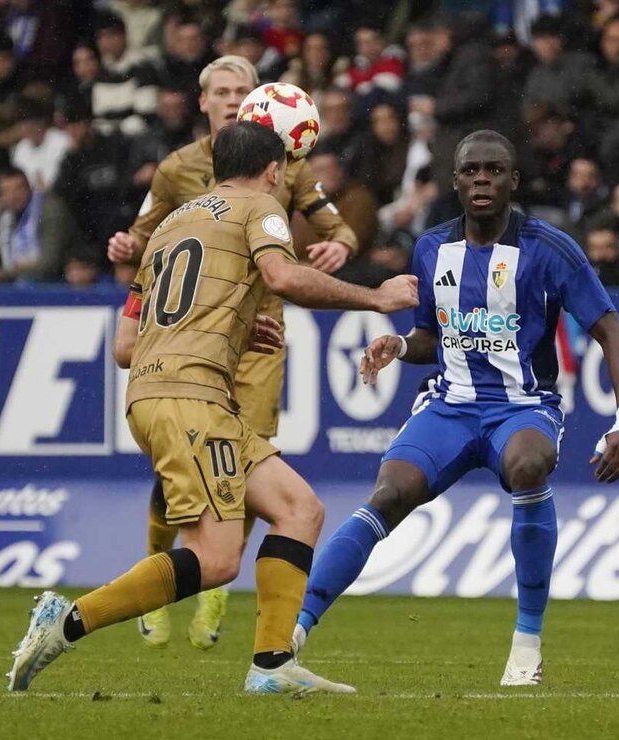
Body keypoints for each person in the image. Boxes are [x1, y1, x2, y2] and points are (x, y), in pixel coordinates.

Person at [6, 121, 418, 695]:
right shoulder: (261, 206)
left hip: (173, 393)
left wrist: (234, 330)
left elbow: (125, 347)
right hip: (189, 397)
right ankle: (67, 622)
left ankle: (271, 668)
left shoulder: (172, 226)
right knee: (218, 559)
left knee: (299, 508)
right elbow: (283, 275)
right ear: (274, 169)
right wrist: (376, 297)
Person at [290, 130, 619, 687]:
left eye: (495, 170)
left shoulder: (550, 248)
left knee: (529, 466)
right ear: (454, 181)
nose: (482, 179)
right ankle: (295, 630)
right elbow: (433, 335)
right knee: (388, 493)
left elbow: (611, 330)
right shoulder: (431, 248)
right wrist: (402, 345)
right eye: (471, 170)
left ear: (513, 181)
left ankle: (526, 646)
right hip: (449, 406)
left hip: (522, 407)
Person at [106, 56, 359, 651]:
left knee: (250, 462)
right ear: (204, 102)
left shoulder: (289, 170)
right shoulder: (176, 170)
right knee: (190, 470)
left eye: (241, 91)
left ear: (257, 103)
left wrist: (339, 248)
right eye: (220, 91)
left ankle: (221, 580)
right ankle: (171, 566)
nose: (231, 100)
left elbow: (338, 229)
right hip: (191, 338)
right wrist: (124, 245)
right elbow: (139, 248)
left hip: (258, 336)